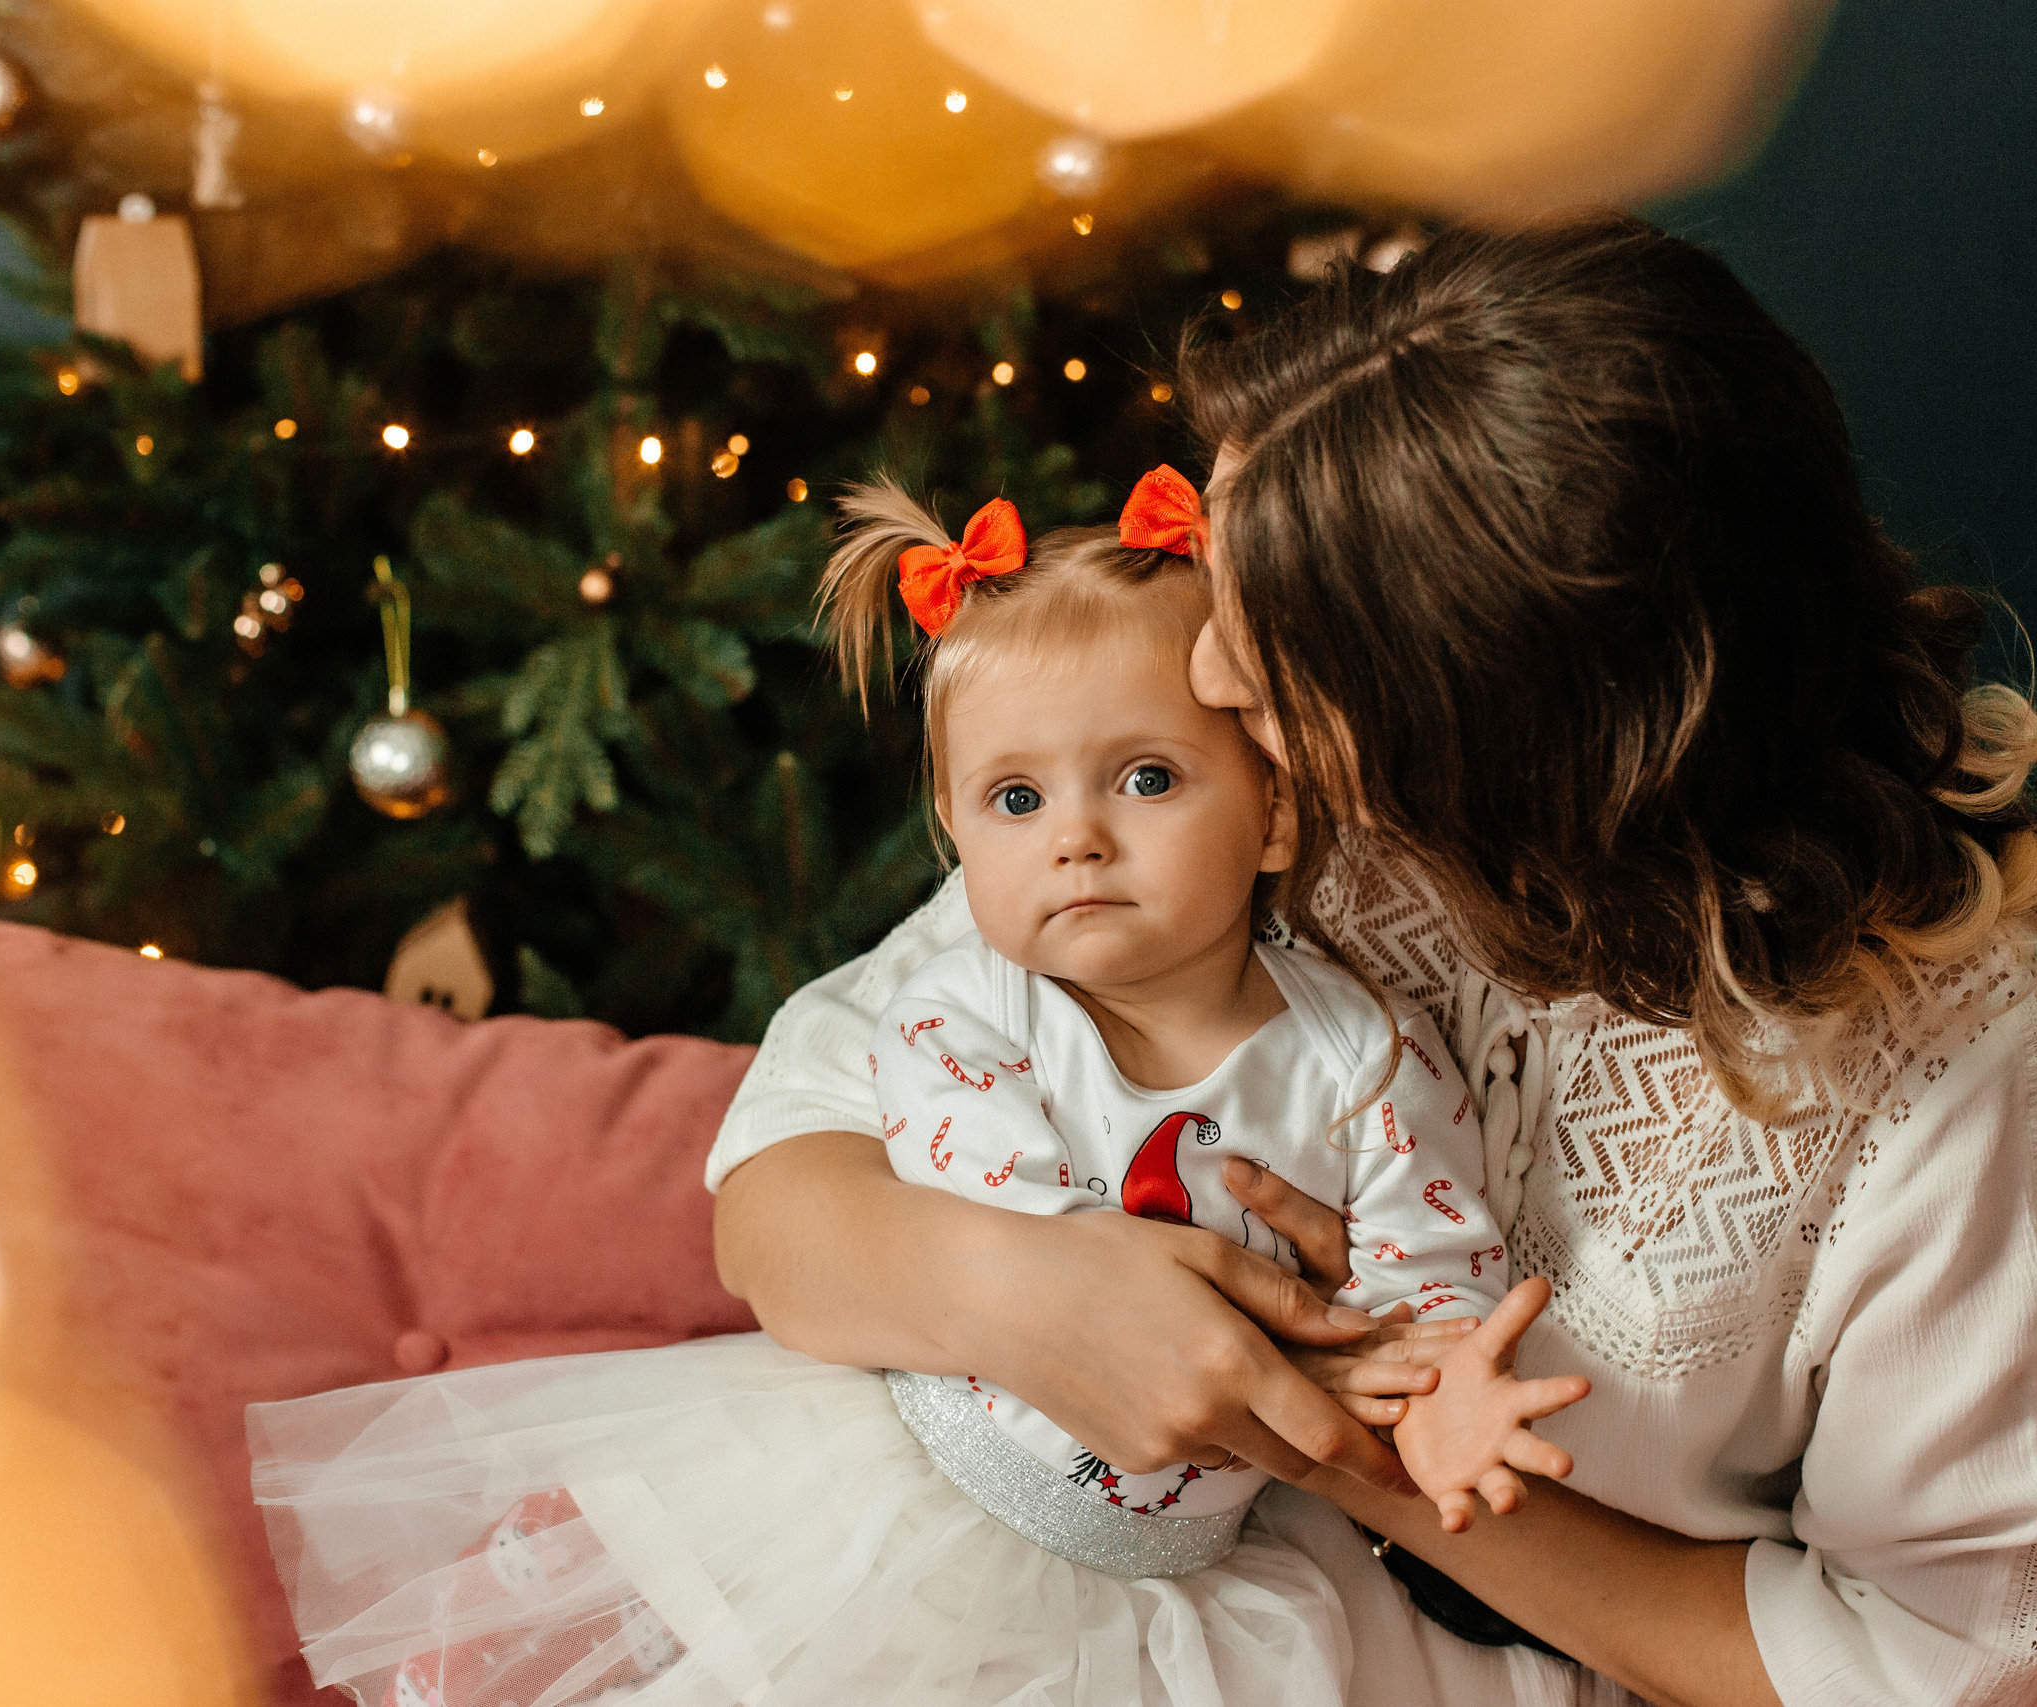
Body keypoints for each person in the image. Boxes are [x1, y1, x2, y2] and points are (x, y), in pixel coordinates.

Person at [710, 213, 2037, 1707]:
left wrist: (1339, 1443)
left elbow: (1923, 1669)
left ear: (1503, 744)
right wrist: (1036, 1302)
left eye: (1266, 664)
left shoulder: (1943, 1080)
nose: (1204, 676)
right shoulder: (1275, 801)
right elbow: (779, 1179)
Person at [247, 475, 1580, 1707]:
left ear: (1276, 818)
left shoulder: (1363, 1051)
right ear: (956, 838)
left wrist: (1439, 1382)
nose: (1076, 836)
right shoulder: (965, 1009)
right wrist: (1113, 1295)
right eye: (1014, 799)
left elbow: (1425, 1246)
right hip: (916, 1501)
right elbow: (990, 1196)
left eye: (1150, 778)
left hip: (1197, 1561)